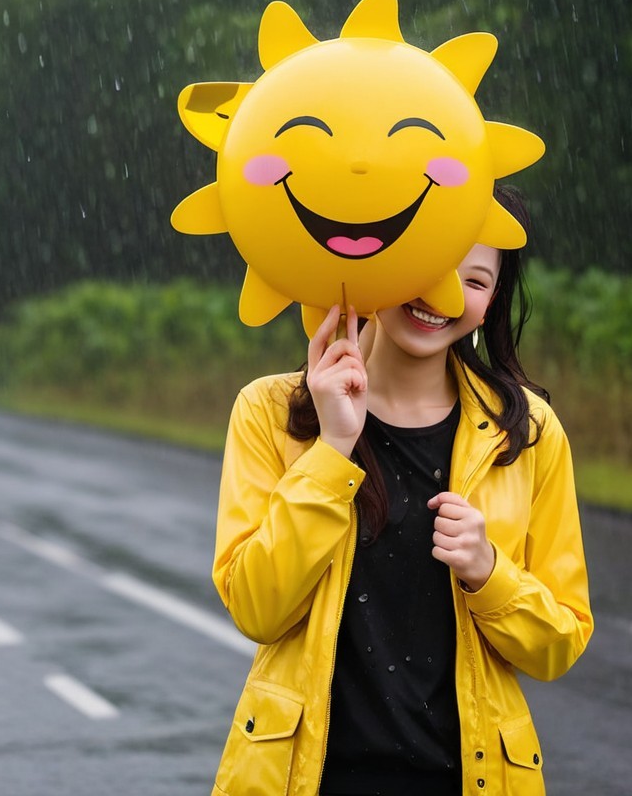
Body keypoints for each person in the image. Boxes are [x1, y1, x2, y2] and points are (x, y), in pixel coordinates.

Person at [211, 186, 592, 796]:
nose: (442, 297)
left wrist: (489, 572)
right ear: (376, 257)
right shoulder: (272, 413)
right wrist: (332, 450)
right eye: (428, 263)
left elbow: (558, 645)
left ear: (494, 299)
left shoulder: (528, 434)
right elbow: (257, 608)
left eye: (474, 280)